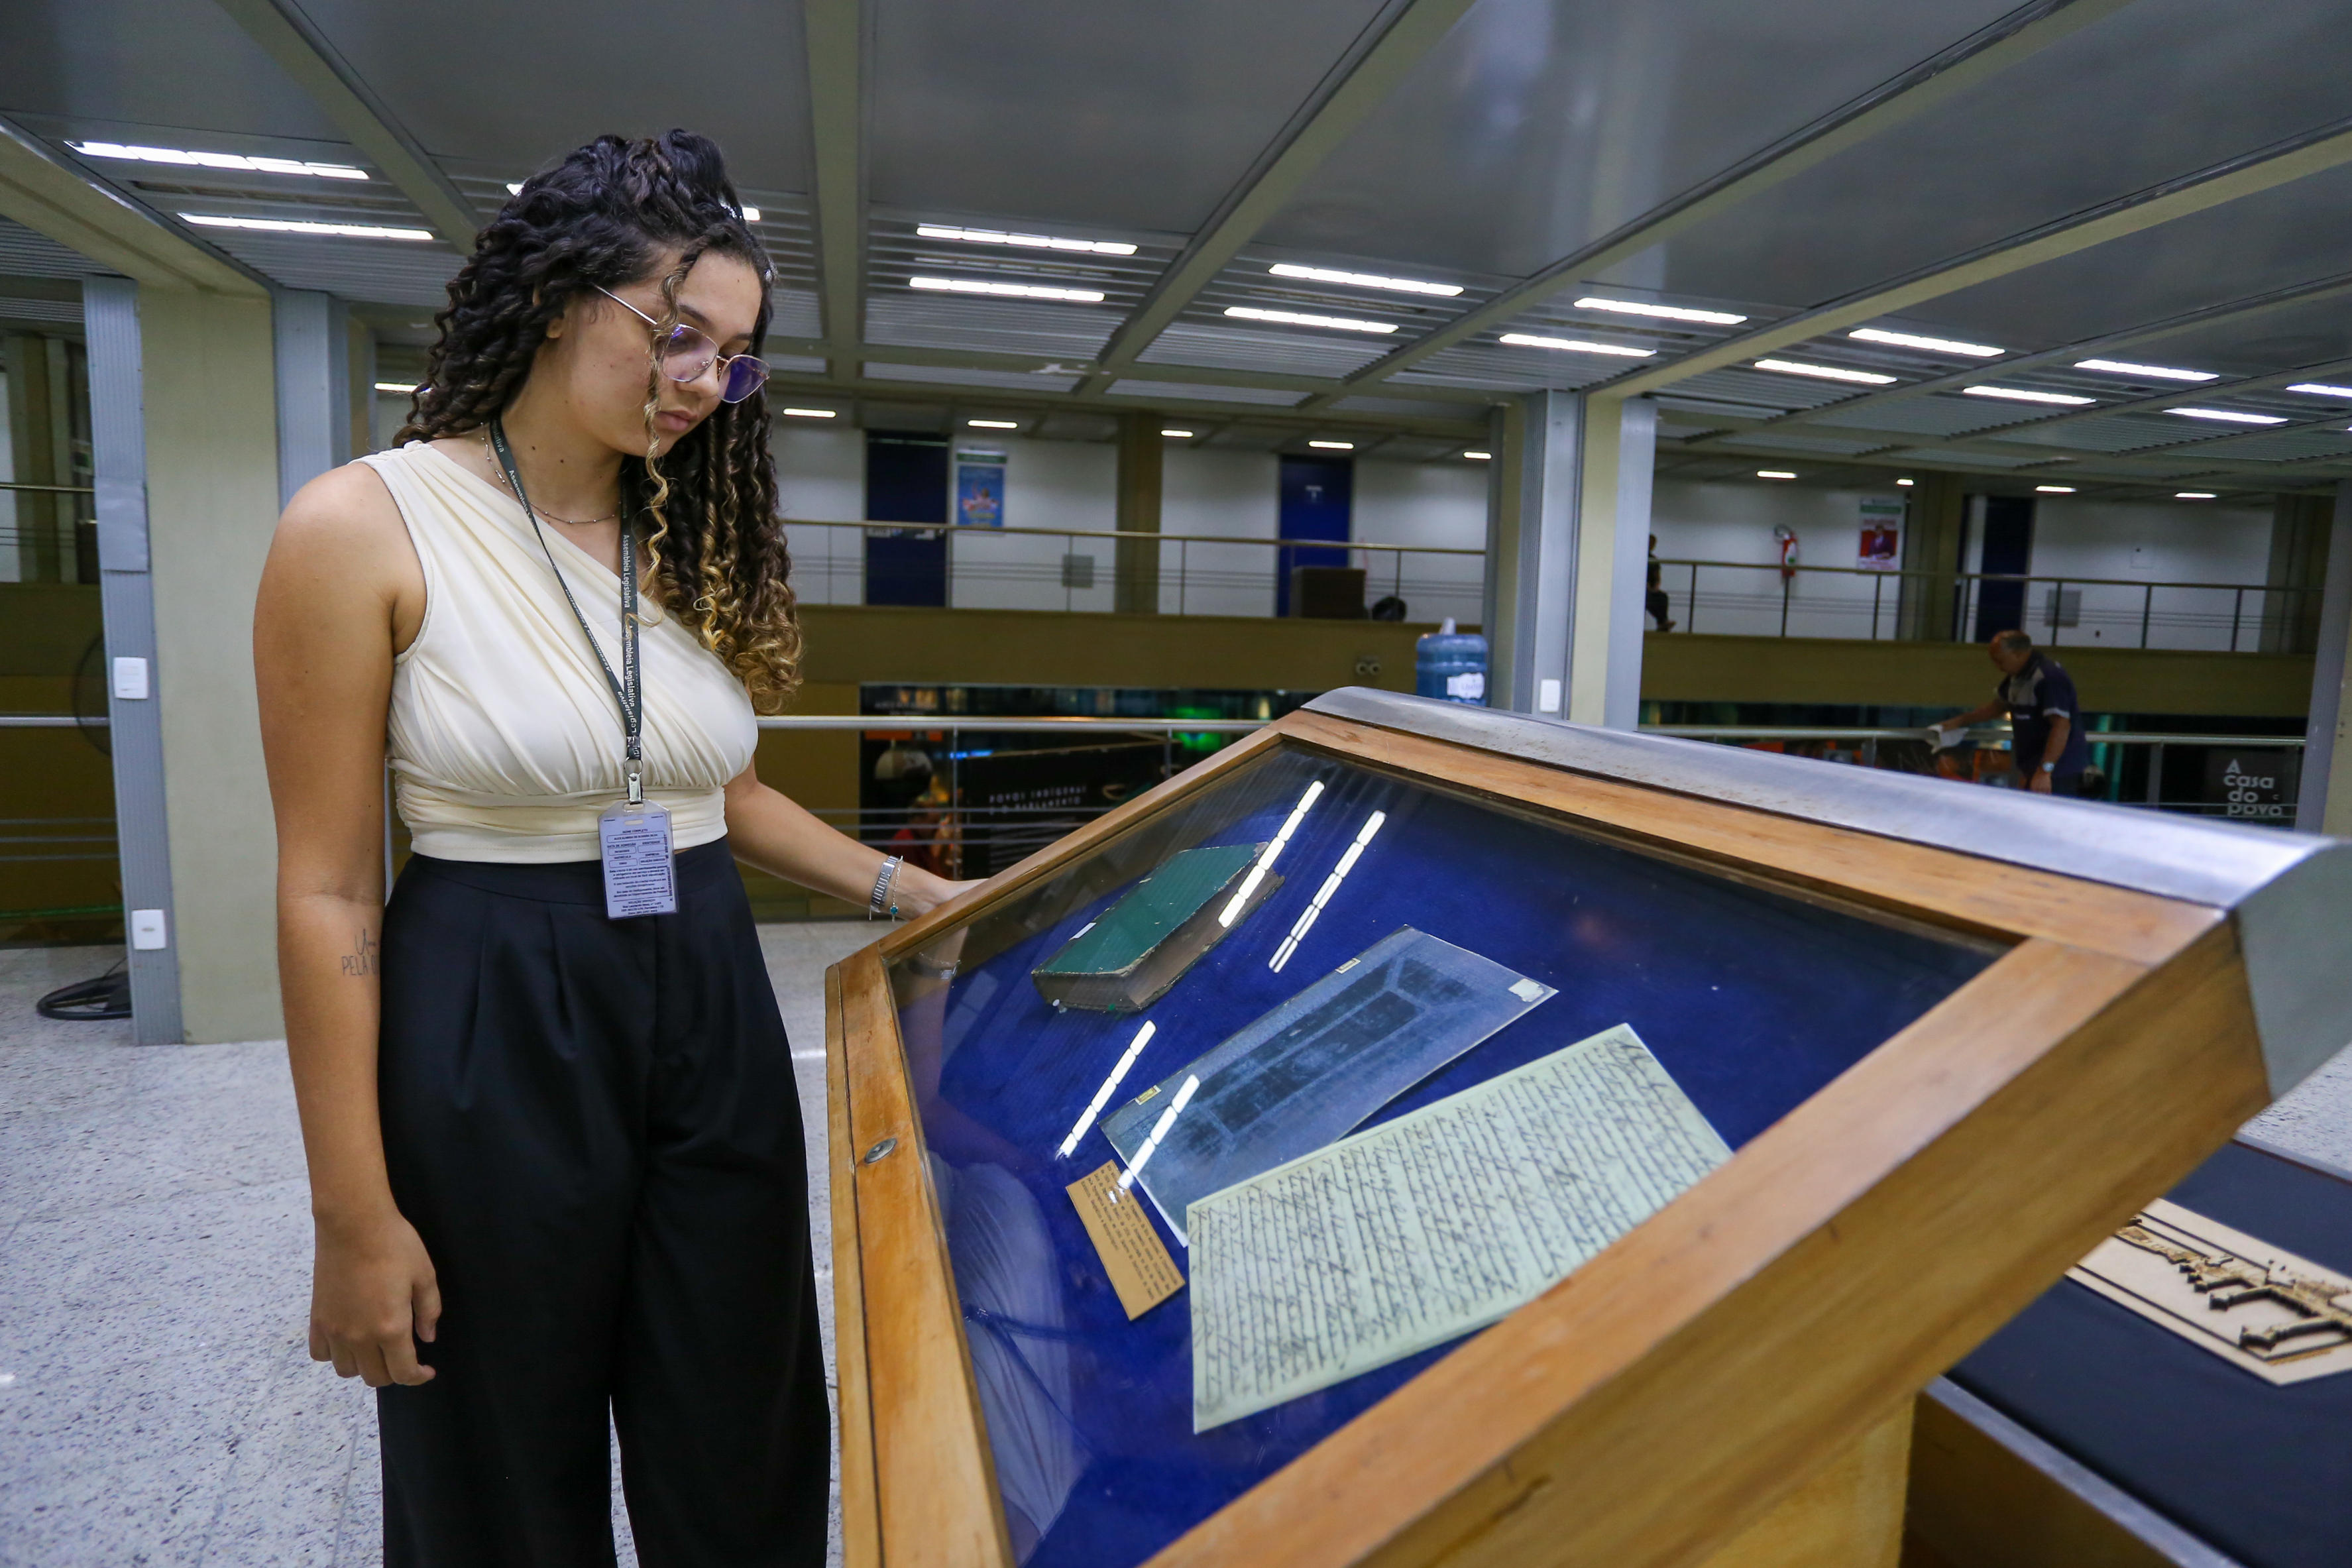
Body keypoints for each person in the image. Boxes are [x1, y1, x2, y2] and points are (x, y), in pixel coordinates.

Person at [253, 131, 969, 1566]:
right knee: (501, 1435)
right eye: (678, 333)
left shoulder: (679, 533)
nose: (704, 382)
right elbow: (326, 886)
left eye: (735, 359)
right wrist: (352, 1213)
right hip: (493, 994)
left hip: (706, 981)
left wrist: (921, 890)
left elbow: (724, 793)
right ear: (555, 298)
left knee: (740, 1401)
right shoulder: (363, 524)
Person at [1934, 629, 2090, 795]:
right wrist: (1959, 721)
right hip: (2034, 766)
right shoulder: (2017, 676)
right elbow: (1997, 707)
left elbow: (2061, 726)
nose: (1998, 667)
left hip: (2058, 770)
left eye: (2000, 661)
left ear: (2018, 654)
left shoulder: (2048, 677)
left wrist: (2045, 771)